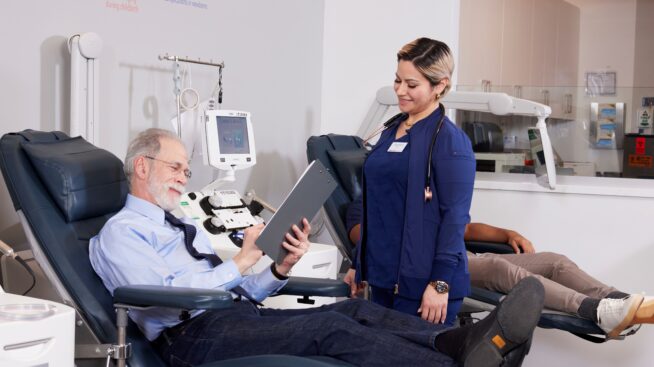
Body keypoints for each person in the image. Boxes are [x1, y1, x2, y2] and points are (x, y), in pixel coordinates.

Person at [89, 128, 546, 367]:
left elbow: (237, 291)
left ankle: (463, 341)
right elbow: (160, 296)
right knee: (331, 329)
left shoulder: (178, 222)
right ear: (141, 166)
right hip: (190, 340)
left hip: (234, 316)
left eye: (187, 171)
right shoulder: (121, 233)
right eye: (176, 167)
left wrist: (278, 269)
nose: (183, 178)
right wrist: (244, 260)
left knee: (350, 311)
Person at [345, 196, 654, 339]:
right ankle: (594, 310)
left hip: (464, 257)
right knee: (498, 268)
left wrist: (508, 234)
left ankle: (620, 301)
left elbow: (464, 229)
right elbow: (361, 236)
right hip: (428, 270)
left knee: (554, 261)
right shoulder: (368, 201)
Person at [345, 37, 476, 326]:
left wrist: (440, 283)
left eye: (412, 85)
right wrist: (359, 263)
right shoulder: (392, 131)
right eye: (397, 81)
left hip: (425, 287)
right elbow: (375, 204)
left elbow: (455, 218)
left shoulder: (451, 142)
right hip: (381, 276)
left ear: (439, 85)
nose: (400, 91)